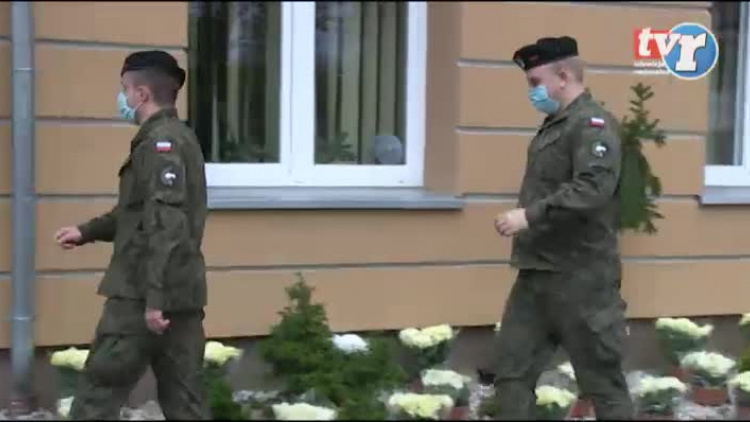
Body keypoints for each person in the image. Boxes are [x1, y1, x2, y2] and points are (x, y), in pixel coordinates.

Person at [54, 50, 209, 420]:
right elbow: (136, 214)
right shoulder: (180, 138)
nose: (122, 98)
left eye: (125, 90)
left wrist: (155, 299)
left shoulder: (160, 144)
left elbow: (166, 223)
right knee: (185, 402)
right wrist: (86, 232)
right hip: (180, 295)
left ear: (141, 94)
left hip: (140, 297)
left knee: (97, 397)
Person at [493, 36, 634, 420]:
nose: (532, 92)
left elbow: (593, 188)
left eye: (535, 82)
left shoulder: (592, 124)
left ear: (564, 76)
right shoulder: (555, 125)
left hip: (581, 280)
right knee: (510, 374)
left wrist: (529, 216)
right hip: (537, 274)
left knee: (603, 384)